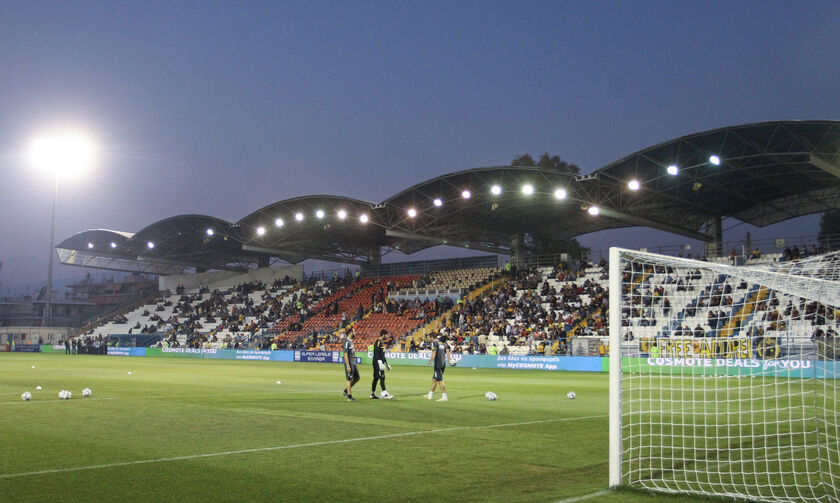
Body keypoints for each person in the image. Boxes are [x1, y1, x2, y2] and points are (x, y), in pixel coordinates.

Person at [425, 334, 450, 402]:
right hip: (443, 363)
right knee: (434, 380)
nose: (429, 339)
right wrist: (449, 359)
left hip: (438, 364)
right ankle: (430, 395)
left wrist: (430, 360)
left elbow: (434, 353)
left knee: (440, 381)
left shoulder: (434, 343)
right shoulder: (443, 343)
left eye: (429, 338)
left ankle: (444, 397)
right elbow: (447, 351)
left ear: (432, 337)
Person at [371, 329, 393, 399]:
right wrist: (379, 362)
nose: (387, 336)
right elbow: (376, 353)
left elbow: (382, 355)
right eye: (386, 335)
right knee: (382, 376)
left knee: (376, 378)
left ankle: (372, 394)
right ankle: (384, 393)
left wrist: (387, 363)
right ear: (383, 335)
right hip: (377, 363)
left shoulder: (382, 343)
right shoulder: (378, 342)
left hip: (380, 362)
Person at [342, 329, 360, 401]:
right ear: (351, 333)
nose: (355, 333)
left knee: (357, 378)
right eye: (354, 331)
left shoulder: (351, 341)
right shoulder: (346, 342)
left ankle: (346, 390)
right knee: (349, 379)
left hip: (353, 362)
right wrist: (348, 365)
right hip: (349, 363)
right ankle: (349, 397)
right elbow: (345, 355)